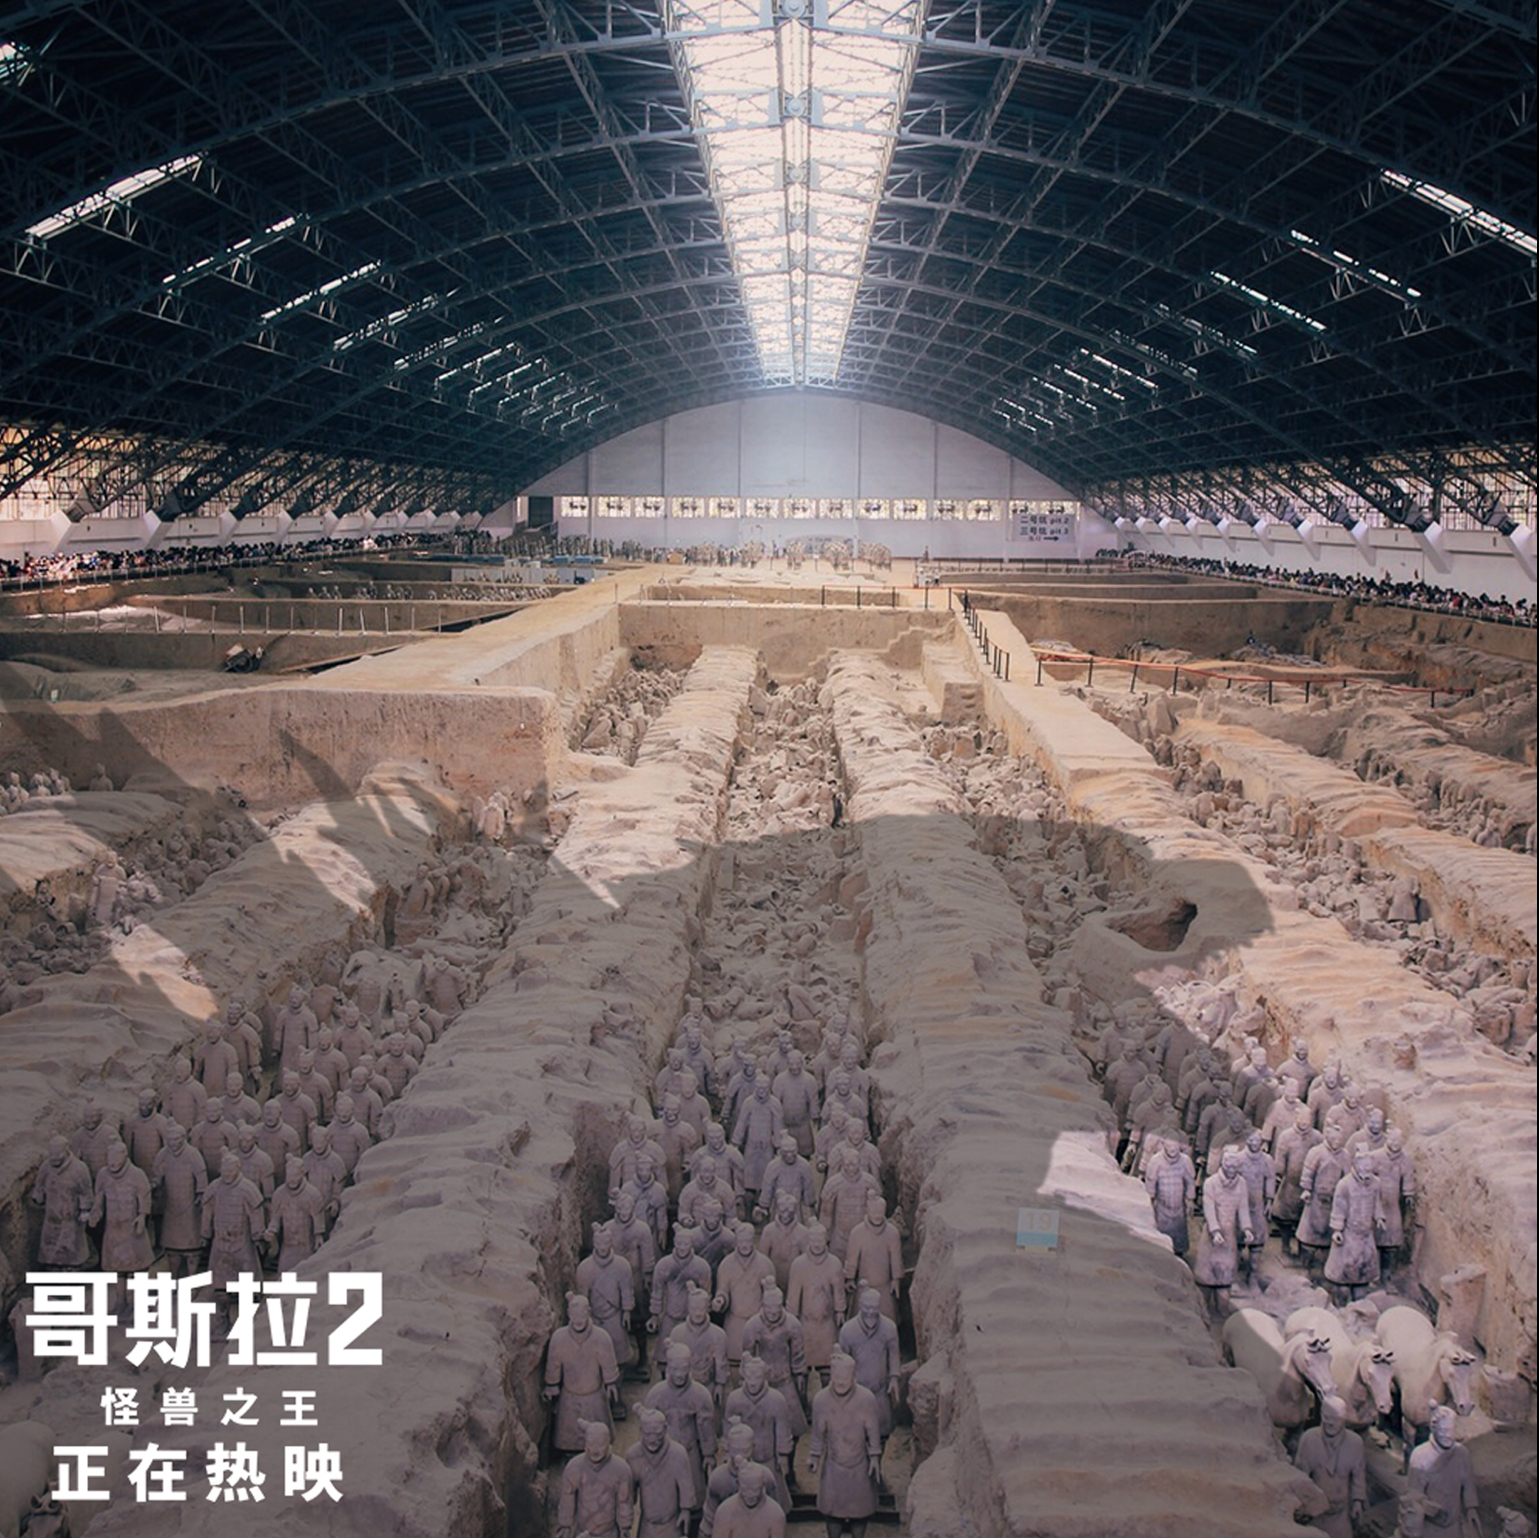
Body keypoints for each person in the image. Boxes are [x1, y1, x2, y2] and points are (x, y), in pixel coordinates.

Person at [808, 1351, 882, 1538]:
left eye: (846, 1377)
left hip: (859, 1464)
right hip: (833, 1465)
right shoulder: (821, 1400)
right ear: (831, 1374)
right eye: (837, 1377)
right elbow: (817, 1433)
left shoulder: (866, 1399)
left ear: (854, 1375)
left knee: (860, 1512)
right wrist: (814, 1456)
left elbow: (873, 1432)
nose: (841, 1382)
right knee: (832, 1512)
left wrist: (874, 1457)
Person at [1293, 1395, 1367, 1538]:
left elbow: (1359, 1476)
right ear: (1320, 1415)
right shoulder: (1308, 1439)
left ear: (1344, 1419)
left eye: (1336, 1419)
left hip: (1341, 1513)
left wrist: (1357, 1501)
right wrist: (1301, 1504)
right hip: (1315, 1513)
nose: (1330, 1423)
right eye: (1327, 1417)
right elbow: (1300, 1477)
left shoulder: (1355, 1443)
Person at [1407, 1405, 1479, 1537]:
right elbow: (1413, 1494)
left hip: (1454, 1525)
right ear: (1433, 1428)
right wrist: (1430, 1509)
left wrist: (1471, 1508)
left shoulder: (1462, 1453)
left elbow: (1468, 1484)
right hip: (1430, 1527)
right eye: (1443, 1431)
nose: (1448, 1436)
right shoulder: (1420, 1455)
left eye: (1451, 1430)